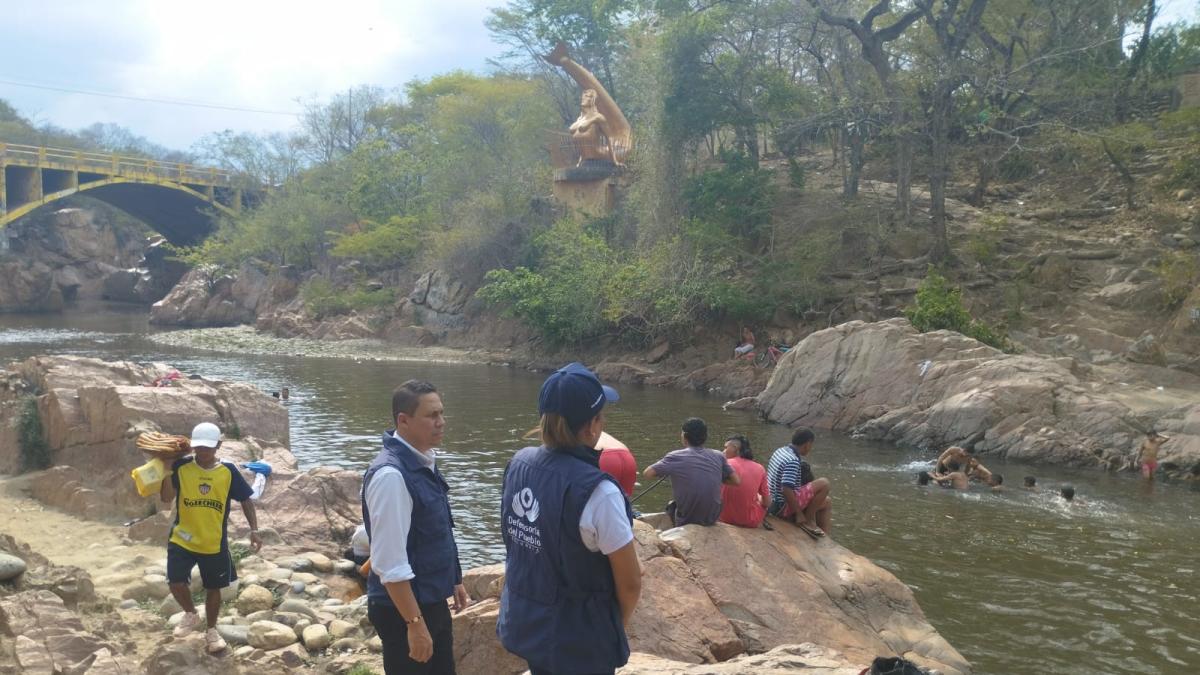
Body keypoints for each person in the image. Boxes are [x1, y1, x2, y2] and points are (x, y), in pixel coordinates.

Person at [497, 362, 641, 675]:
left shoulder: (518, 463)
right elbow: (630, 584)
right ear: (591, 426)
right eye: (601, 416)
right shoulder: (598, 492)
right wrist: (609, 628)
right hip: (580, 645)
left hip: (530, 625)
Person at [362, 380, 470, 675]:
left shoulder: (422, 460)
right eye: (432, 416)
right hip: (404, 609)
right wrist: (414, 624)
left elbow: (438, 528)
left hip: (428, 599)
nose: (441, 422)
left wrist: (454, 578)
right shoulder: (391, 477)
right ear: (403, 420)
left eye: (442, 413)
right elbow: (388, 563)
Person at [160, 422, 262, 654]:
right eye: (198, 447)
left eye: (207, 447)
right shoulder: (181, 466)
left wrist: (254, 530)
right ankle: (190, 613)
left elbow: (246, 500)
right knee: (175, 581)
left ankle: (212, 630)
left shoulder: (228, 470)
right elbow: (166, 498)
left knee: (213, 588)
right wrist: (166, 470)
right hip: (182, 538)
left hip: (213, 542)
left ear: (218, 445)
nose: (202, 452)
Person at [644, 418, 740, 526]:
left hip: (688, 519)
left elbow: (647, 473)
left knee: (671, 506)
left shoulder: (675, 456)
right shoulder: (718, 455)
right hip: (712, 517)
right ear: (705, 437)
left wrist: (665, 468)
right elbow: (736, 481)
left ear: (684, 436)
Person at [767, 428, 831, 537]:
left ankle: (826, 537)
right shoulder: (792, 460)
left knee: (826, 501)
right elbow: (786, 488)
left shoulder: (780, 450)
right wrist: (799, 513)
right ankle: (808, 519)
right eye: (811, 445)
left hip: (771, 501)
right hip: (781, 507)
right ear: (807, 444)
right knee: (824, 483)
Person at [719, 435, 769, 528]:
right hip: (748, 521)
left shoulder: (724, 463)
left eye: (726, 448)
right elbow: (766, 503)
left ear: (735, 448)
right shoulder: (760, 468)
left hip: (722, 517)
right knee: (761, 496)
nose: (723, 451)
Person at [596, 431, 637, 497]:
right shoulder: (598, 428)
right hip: (627, 456)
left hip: (604, 457)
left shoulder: (577, 429)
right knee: (623, 503)